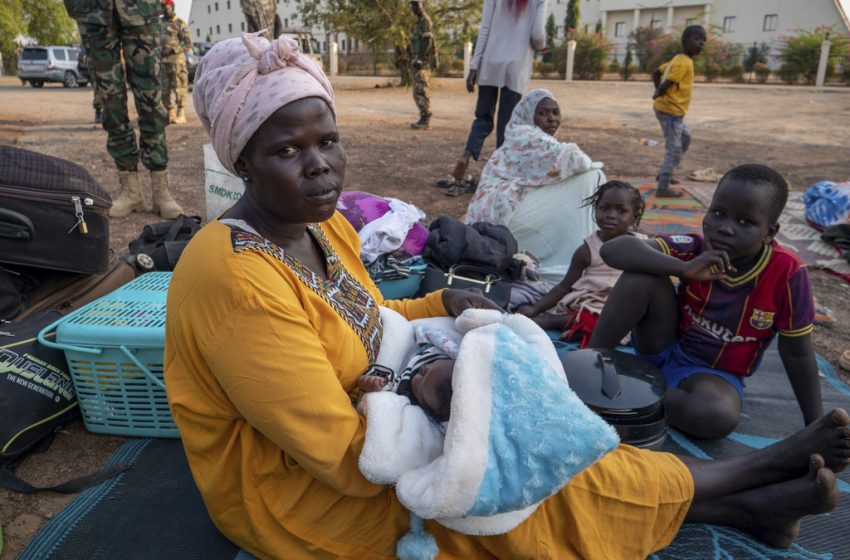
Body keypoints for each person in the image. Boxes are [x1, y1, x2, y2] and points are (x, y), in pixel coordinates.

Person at [165, 34, 848, 560]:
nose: (319, 164)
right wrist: (439, 409)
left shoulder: (323, 225)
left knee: (538, 437)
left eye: (328, 140)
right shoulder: (234, 280)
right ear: (242, 160)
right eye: (289, 150)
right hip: (297, 493)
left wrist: (443, 308)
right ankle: (746, 479)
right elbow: (342, 457)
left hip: (368, 413)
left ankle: (735, 505)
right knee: (518, 489)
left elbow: (367, 323)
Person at [589, 164, 824, 441]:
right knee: (641, 275)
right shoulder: (695, 247)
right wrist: (682, 268)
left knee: (717, 415)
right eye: (718, 213)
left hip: (711, 374)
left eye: (745, 222)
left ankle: (630, 393)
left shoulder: (787, 274)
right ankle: (590, 365)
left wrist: (815, 426)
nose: (725, 229)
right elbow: (614, 249)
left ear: (770, 232)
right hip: (661, 345)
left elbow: (797, 353)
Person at [464, 89, 603, 285]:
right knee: (593, 177)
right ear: (528, 115)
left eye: (555, 112)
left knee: (575, 182)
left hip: (495, 218)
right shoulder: (527, 135)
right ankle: (586, 254)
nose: (551, 119)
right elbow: (579, 161)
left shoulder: (518, 134)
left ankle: (582, 249)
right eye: (543, 113)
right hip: (505, 221)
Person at [62, 0, 184, 220]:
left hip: (140, 9)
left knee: (152, 100)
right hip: (93, 12)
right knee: (110, 102)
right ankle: (131, 190)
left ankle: (161, 190)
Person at [518, 181, 645, 345]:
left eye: (621, 211)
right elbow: (564, 286)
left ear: (634, 217)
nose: (611, 215)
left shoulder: (643, 247)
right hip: (589, 305)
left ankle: (582, 330)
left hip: (621, 307)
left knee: (635, 324)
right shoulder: (587, 250)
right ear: (596, 210)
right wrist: (536, 308)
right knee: (587, 318)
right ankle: (554, 322)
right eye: (604, 208)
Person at [451, 0, 547, 184]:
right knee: (507, 125)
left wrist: (473, 67)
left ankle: (466, 154)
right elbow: (537, 36)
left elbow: (485, 29)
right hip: (515, 68)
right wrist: (542, 44)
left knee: (483, 117)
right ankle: (500, 175)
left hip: (490, 64)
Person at [652, 25, 706, 198]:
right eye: (697, 39)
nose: (701, 43)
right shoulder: (684, 62)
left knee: (685, 138)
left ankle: (665, 174)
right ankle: (663, 186)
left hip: (670, 110)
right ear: (685, 41)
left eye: (703, 40)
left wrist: (658, 92)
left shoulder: (679, 59)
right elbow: (666, 83)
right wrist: (658, 92)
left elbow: (656, 72)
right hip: (671, 112)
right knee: (673, 149)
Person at [160, 0, 192, 125]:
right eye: (162, 7)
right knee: (164, 90)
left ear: (172, 7)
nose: (164, 10)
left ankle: (181, 113)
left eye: (166, 7)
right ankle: (170, 114)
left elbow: (188, 44)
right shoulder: (159, 23)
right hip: (163, 63)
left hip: (177, 63)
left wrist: (173, 49)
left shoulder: (180, 23)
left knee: (179, 88)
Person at [408, 0, 435, 130]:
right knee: (417, 91)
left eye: (416, 5)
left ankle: (426, 119)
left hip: (423, 62)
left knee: (421, 89)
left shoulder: (425, 21)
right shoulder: (418, 22)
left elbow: (427, 40)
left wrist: (419, 59)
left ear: (422, 5)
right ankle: (423, 117)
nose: (413, 8)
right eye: (412, 5)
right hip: (418, 60)